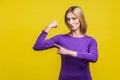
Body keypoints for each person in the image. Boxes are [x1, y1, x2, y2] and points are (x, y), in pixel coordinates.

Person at [33, 6, 98, 80]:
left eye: (74, 18)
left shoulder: (90, 40)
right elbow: (37, 46)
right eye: (68, 19)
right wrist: (48, 27)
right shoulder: (60, 38)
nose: (70, 22)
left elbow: (94, 58)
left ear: (81, 19)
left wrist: (68, 52)